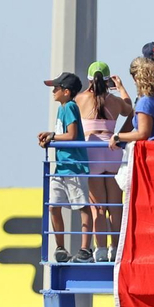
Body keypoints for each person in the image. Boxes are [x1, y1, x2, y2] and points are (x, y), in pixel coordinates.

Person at [74, 62, 130, 263]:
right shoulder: (114, 100)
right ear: (108, 81)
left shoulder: (80, 98)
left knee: (97, 207)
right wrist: (121, 86)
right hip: (112, 150)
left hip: (92, 152)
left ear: (90, 80)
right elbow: (129, 108)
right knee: (115, 205)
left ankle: (100, 250)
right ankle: (116, 249)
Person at [37, 72, 92, 263]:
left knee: (82, 207)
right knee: (53, 206)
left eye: (56, 88)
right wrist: (50, 138)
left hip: (73, 166)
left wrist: (52, 136)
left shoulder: (69, 106)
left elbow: (71, 135)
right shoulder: (63, 107)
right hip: (61, 166)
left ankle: (85, 249)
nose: (53, 91)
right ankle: (60, 247)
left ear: (66, 92)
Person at [111, 57, 154, 147]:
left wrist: (117, 137)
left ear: (134, 78)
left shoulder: (145, 102)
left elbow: (143, 134)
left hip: (152, 153)